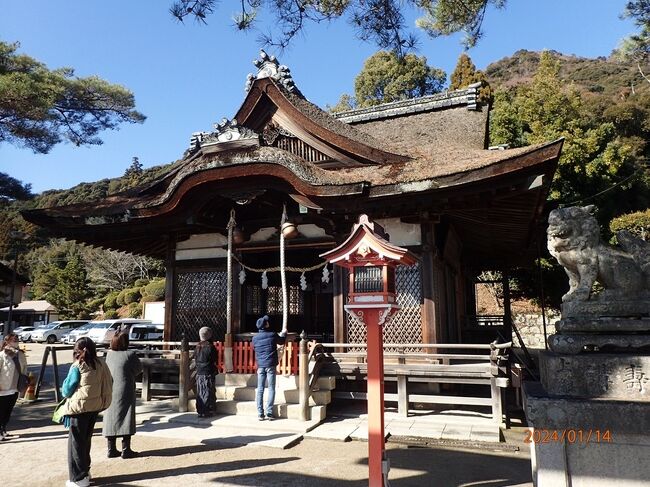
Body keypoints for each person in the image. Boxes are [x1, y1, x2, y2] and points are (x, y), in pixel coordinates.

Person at [61, 337, 113, 487]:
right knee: (86, 440)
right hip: (95, 406)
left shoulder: (78, 366)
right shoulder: (101, 363)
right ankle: (85, 470)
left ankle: (79, 477)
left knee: (75, 443)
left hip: (79, 408)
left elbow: (67, 390)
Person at [102, 331, 142, 459]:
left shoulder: (108, 355)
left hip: (110, 388)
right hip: (125, 388)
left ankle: (111, 448)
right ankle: (126, 449)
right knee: (126, 416)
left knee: (111, 416)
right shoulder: (130, 355)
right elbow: (138, 369)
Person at [252, 315, 286, 421]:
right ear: (266, 325)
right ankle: (269, 413)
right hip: (271, 364)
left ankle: (260, 413)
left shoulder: (254, 338)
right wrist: (284, 333)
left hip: (260, 365)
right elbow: (281, 341)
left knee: (260, 389)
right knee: (271, 388)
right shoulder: (272, 335)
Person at [0, 333, 27, 440]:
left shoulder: (21, 354)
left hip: (16, 386)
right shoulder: (2, 355)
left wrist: (25, 381)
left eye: (17, 339)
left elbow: (24, 368)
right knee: (1, 410)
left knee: (8, 410)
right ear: (7, 342)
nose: (15, 341)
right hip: (3, 387)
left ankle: (3, 429)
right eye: (13, 339)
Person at [194, 326, 217, 418]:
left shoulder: (197, 347)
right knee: (208, 390)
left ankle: (200, 410)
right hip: (208, 371)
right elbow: (214, 359)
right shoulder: (211, 347)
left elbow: (195, 358)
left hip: (199, 372)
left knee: (200, 391)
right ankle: (208, 410)